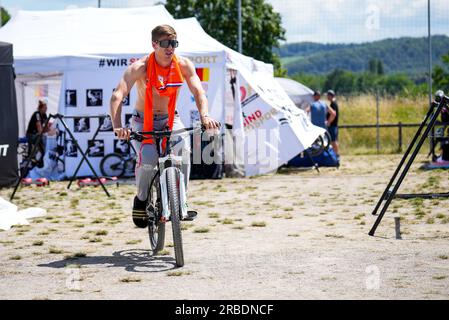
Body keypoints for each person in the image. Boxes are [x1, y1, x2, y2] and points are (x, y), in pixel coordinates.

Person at [110, 24, 220, 228]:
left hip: (171, 118)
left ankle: (181, 203)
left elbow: (198, 92)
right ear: (154, 44)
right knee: (149, 160)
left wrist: (205, 115)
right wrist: (118, 127)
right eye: (165, 43)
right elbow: (117, 96)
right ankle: (142, 199)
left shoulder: (183, 65)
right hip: (143, 121)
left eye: (174, 43)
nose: (171, 48)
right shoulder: (140, 67)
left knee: (184, 149)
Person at [26, 99, 50, 167]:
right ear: (41, 108)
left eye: (46, 108)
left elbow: (46, 127)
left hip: (37, 134)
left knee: (44, 140)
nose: (46, 109)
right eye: (45, 108)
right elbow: (39, 126)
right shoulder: (37, 114)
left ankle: (41, 159)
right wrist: (44, 133)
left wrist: (50, 132)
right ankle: (35, 160)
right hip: (31, 134)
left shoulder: (44, 115)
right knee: (40, 140)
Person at [326, 90, 340, 159]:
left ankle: (337, 155)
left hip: (333, 125)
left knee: (333, 141)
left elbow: (333, 115)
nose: (327, 97)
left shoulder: (333, 104)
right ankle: (336, 154)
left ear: (331, 96)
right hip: (334, 125)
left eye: (328, 95)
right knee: (334, 141)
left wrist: (328, 122)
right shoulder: (333, 103)